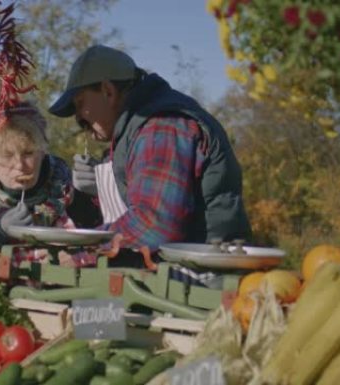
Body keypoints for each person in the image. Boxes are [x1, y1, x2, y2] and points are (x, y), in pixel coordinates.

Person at [48, 45, 252, 250]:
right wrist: (90, 196)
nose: (78, 117)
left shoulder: (161, 126)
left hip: (206, 273)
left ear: (108, 92)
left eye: (80, 103)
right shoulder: (136, 130)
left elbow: (154, 227)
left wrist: (84, 248)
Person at [0, 101, 101, 249]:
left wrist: (93, 197)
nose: (19, 165)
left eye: (28, 153)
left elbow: (101, 240)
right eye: (7, 155)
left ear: (42, 151)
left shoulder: (67, 189)